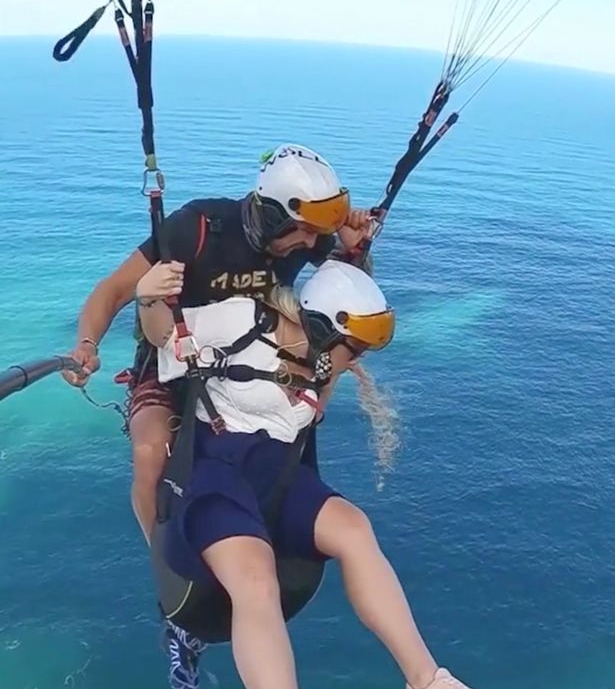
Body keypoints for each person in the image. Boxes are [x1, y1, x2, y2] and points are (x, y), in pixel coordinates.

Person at [135, 258, 473, 689]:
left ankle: (427, 679)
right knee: (257, 581)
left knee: (354, 529)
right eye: (352, 349)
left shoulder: (323, 364)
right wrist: (148, 296)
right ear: (323, 327)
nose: (355, 362)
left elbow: (307, 418)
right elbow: (166, 334)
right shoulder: (244, 319)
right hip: (217, 474)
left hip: (278, 474)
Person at [63, 144, 372, 540]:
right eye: (306, 231)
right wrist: (87, 344)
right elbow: (114, 290)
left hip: (255, 361)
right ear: (273, 217)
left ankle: (268, 523)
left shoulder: (307, 238)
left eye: (319, 234)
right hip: (173, 357)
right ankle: (162, 546)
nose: (312, 244)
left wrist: (354, 247)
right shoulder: (198, 227)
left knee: (291, 440)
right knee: (151, 451)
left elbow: (346, 300)